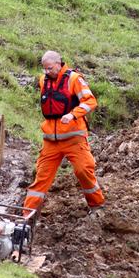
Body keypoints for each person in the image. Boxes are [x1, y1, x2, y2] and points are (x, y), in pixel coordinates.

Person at [22, 51, 105, 213]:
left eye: (50, 68)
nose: (47, 72)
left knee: (83, 171)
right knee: (41, 178)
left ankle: (97, 206)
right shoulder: (42, 81)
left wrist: (73, 114)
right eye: (44, 69)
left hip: (74, 139)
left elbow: (90, 101)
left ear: (59, 64)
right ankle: (26, 217)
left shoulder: (74, 79)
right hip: (51, 142)